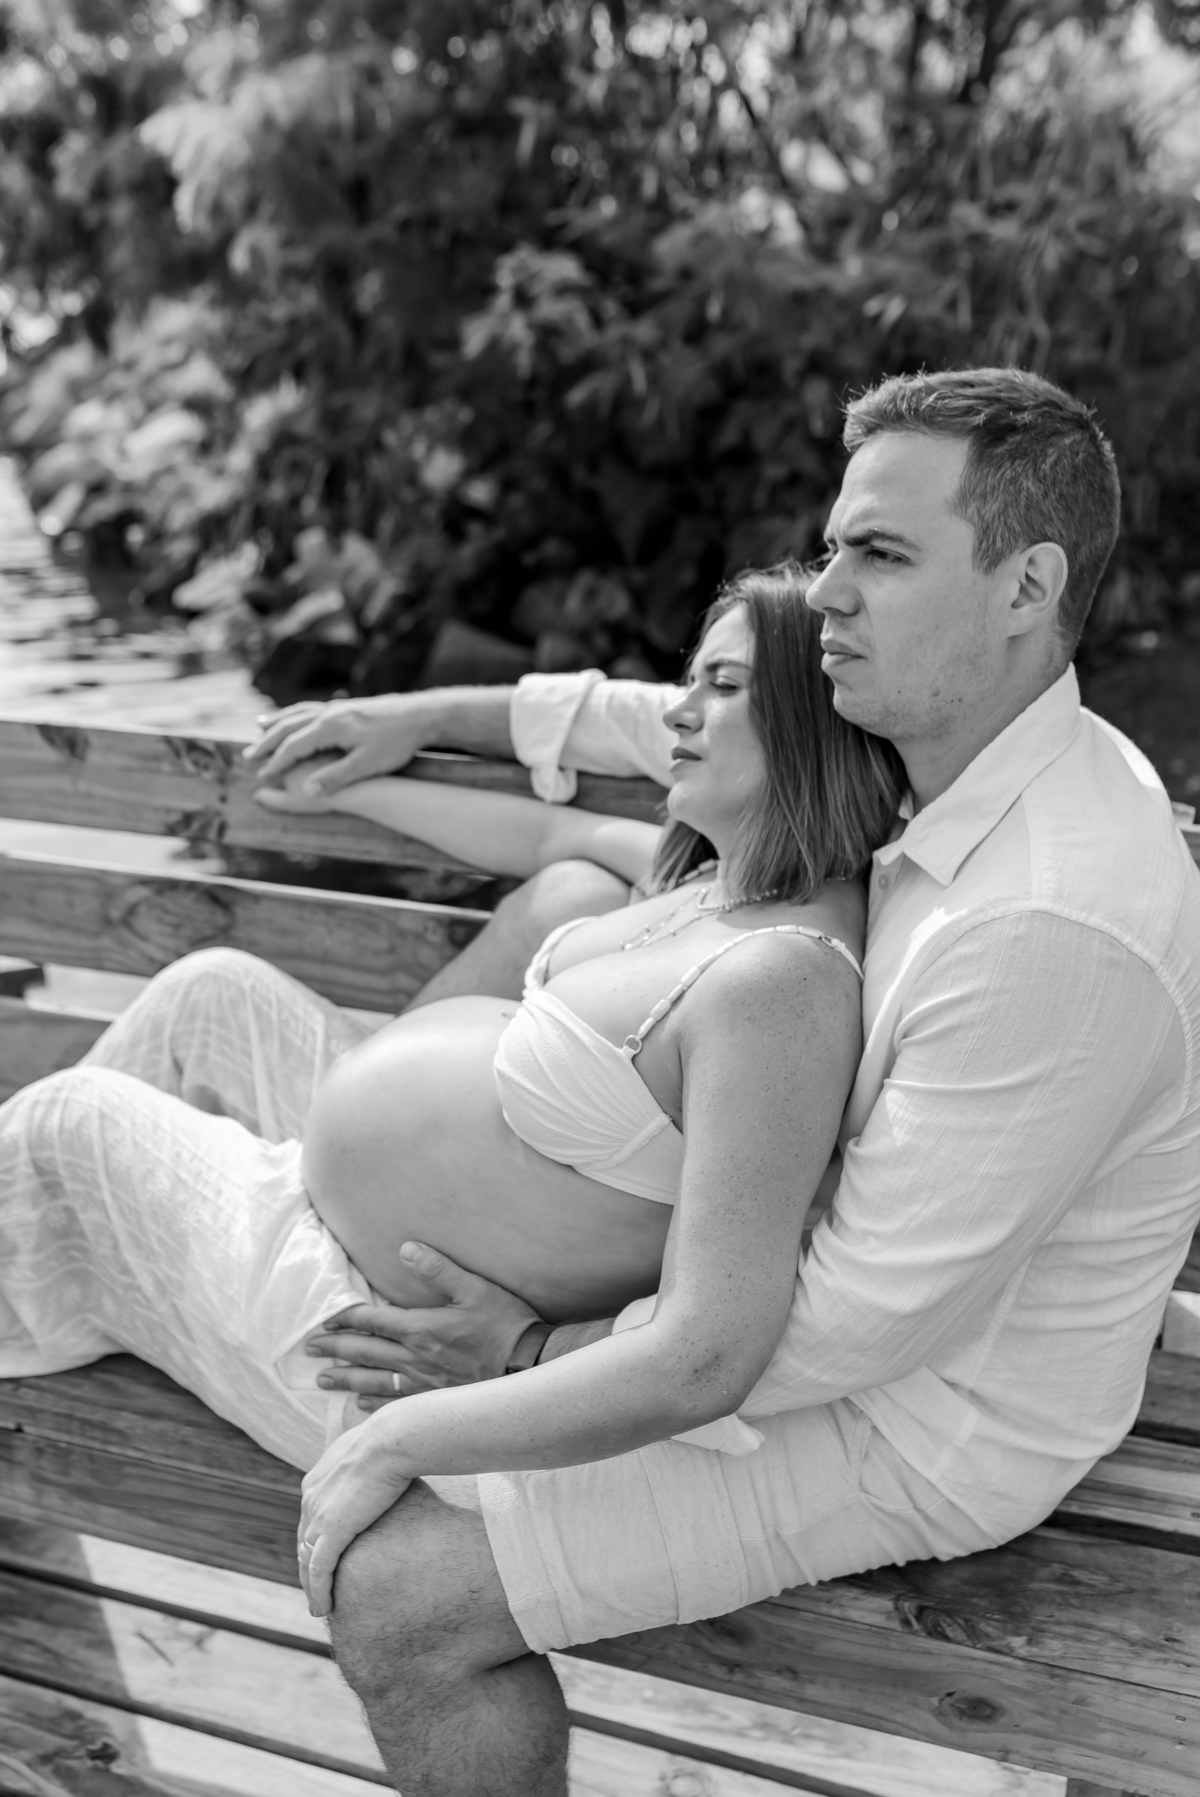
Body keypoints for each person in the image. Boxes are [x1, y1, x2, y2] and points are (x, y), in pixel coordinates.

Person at [245, 366, 1200, 1797]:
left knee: (401, 1592)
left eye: (878, 554)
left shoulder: (1049, 917)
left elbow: (851, 1330)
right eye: (831, 549)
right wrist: (425, 711)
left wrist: (521, 1359)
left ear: (1026, 584)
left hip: (930, 1420)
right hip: (779, 1306)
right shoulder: (946, 737)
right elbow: (702, 714)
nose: (829, 594)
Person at [0, 569, 900, 1516]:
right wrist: (358, 783)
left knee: (71, 1120)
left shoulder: (782, 980)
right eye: (692, 680)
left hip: (389, 1344)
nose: (677, 713)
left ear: (814, 721)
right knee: (211, 993)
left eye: (722, 688)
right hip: (349, 1218)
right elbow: (542, 828)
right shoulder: (716, 882)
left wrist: (519, 1353)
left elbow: (709, 1343)